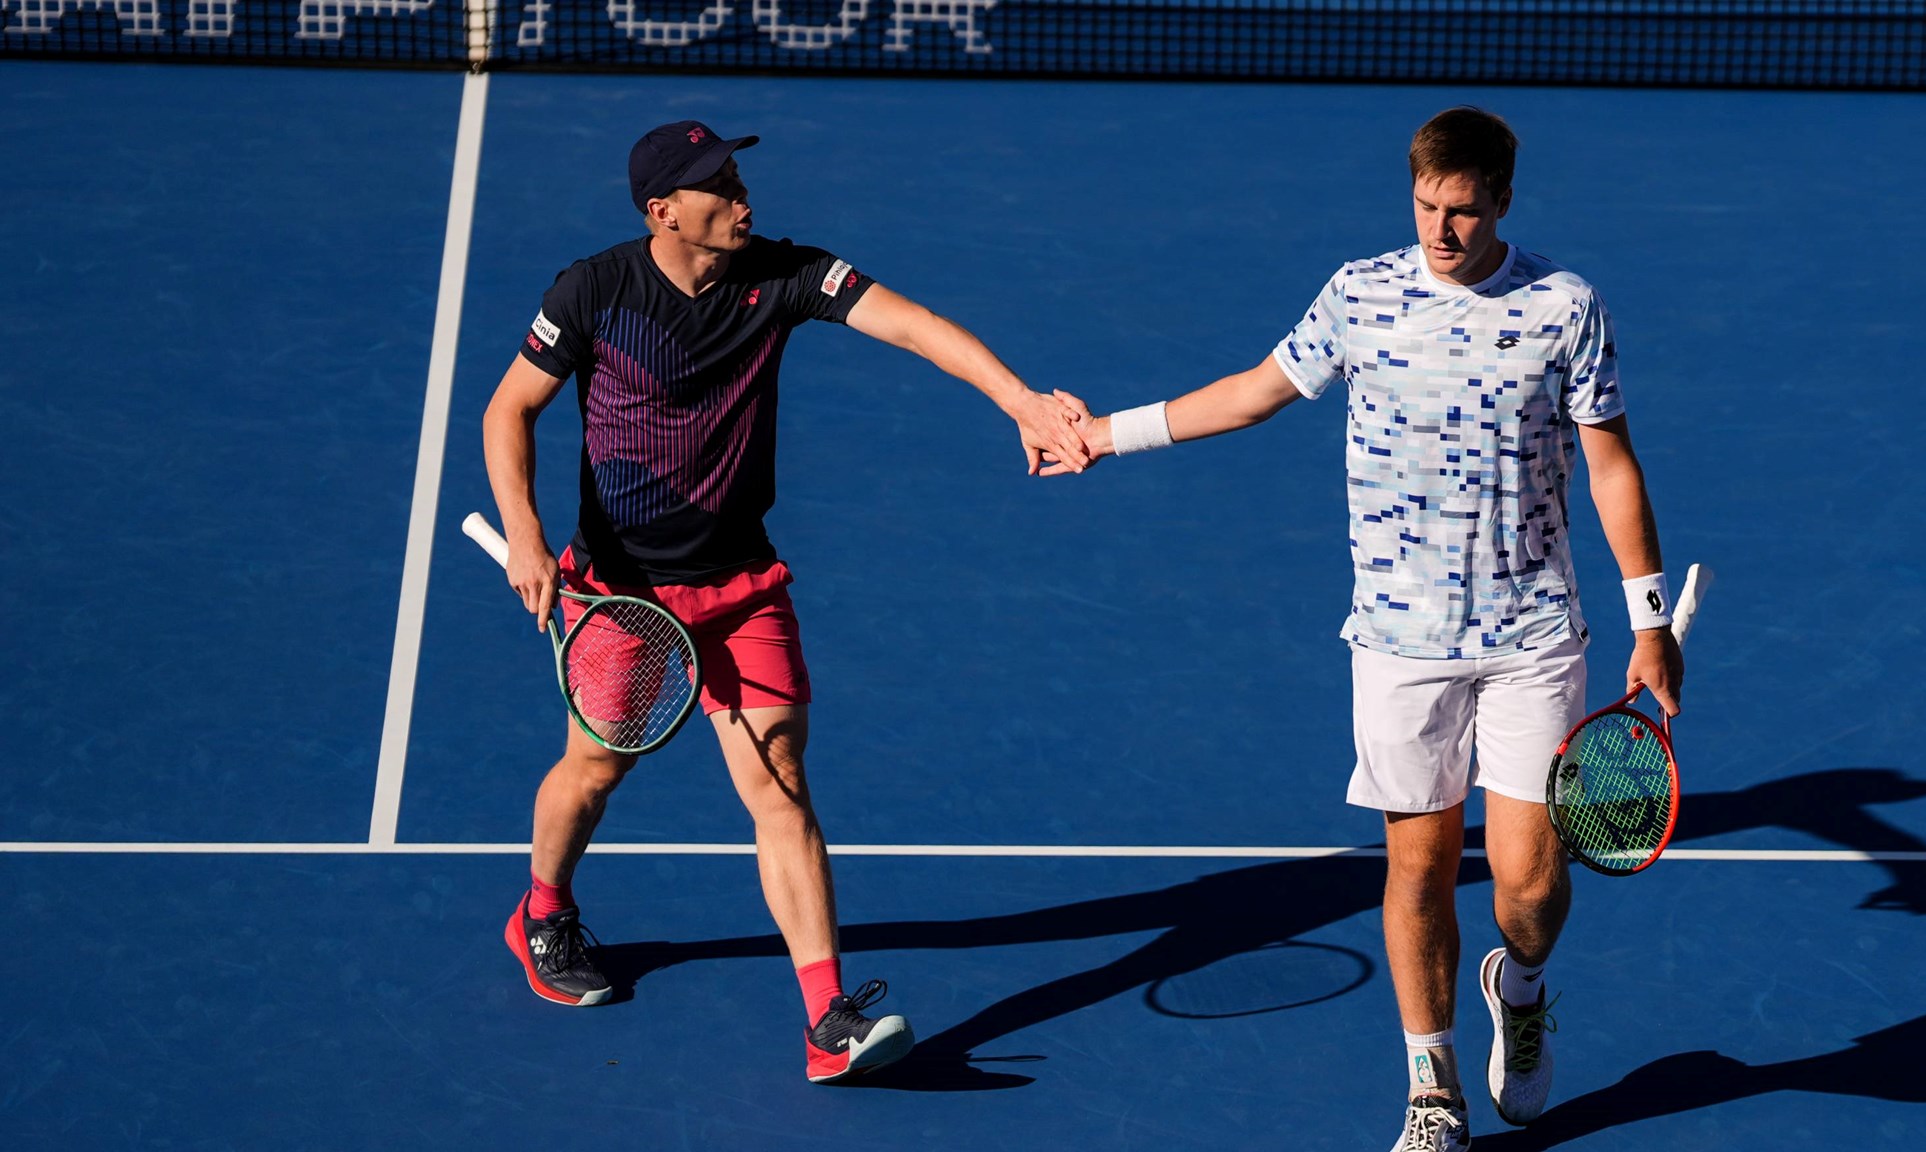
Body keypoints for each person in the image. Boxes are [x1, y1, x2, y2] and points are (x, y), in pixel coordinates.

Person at [1047, 107, 1682, 1149]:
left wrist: (1646, 618)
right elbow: (1254, 394)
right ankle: (1430, 1086)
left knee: (1526, 886)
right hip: (1396, 642)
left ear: (1502, 204)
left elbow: (1609, 461)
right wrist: (1104, 439)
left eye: (1463, 212)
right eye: (1426, 207)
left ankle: (1517, 988)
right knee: (1417, 868)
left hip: (1531, 634)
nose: (1441, 231)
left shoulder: (1564, 307)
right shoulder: (1359, 295)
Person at [481, 119, 1092, 1084]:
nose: (740, 195)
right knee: (593, 772)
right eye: (716, 185)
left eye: (734, 175)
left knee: (781, 786)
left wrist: (1020, 401)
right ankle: (542, 911)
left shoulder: (787, 275)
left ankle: (827, 1019)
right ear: (664, 211)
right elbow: (508, 408)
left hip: (742, 585)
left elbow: (915, 324)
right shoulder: (592, 291)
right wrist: (524, 533)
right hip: (623, 594)